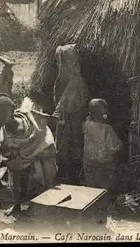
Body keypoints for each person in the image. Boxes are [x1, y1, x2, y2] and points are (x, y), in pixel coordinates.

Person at [0, 94, 58, 216]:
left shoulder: (30, 126)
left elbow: (37, 144)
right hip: (21, 159)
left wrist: (18, 156)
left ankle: (36, 205)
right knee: (14, 175)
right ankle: (17, 205)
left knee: (37, 177)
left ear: (8, 113)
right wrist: (2, 148)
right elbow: (9, 145)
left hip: (39, 154)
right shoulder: (5, 127)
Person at [52, 44, 88, 185]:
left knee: (72, 144)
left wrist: (59, 111)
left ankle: (72, 177)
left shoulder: (76, 81)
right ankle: (68, 174)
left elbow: (69, 103)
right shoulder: (67, 79)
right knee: (66, 145)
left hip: (73, 119)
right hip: (68, 118)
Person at [82, 99, 122, 193]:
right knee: (104, 188)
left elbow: (89, 117)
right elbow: (116, 146)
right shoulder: (107, 129)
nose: (107, 111)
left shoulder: (86, 125)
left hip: (89, 161)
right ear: (103, 113)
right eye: (105, 109)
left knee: (91, 187)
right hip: (104, 164)